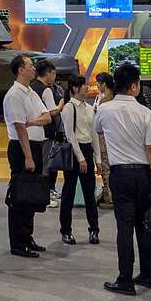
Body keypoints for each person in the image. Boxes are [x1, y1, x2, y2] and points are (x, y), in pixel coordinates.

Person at [95, 62, 151, 296]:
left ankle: (125, 279)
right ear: (133, 86)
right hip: (143, 174)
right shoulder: (144, 112)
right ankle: (148, 275)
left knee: (124, 228)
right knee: (146, 226)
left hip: (120, 175)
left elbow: (99, 131)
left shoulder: (104, 110)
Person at [3, 53, 53, 258]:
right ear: (21, 70)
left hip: (35, 146)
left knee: (31, 194)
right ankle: (17, 242)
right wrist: (28, 157)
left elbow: (47, 117)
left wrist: (31, 121)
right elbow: (19, 127)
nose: (34, 68)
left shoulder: (31, 92)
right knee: (20, 196)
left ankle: (27, 236)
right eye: (30, 65)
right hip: (22, 148)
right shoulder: (14, 95)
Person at [58, 75, 100, 245]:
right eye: (84, 85)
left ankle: (94, 230)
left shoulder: (89, 108)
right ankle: (66, 231)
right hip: (74, 153)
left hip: (87, 150)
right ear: (75, 88)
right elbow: (70, 135)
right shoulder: (69, 108)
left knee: (90, 193)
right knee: (68, 193)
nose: (87, 88)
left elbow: (94, 134)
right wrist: (81, 158)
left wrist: (97, 159)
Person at [35, 59, 67, 204]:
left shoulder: (32, 87)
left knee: (39, 163)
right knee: (46, 164)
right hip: (47, 132)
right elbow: (53, 111)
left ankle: (43, 192)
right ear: (47, 73)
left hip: (35, 132)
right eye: (53, 73)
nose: (54, 76)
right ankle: (45, 195)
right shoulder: (46, 89)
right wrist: (61, 103)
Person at [93, 71, 114, 205]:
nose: (97, 86)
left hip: (106, 136)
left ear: (104, 84)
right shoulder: (100, 97)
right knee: (105, 166)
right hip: (102, 136)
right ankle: (107, 191)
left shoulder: (108, 100)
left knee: (106, 166)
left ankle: (109, 195)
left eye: (98, 84)